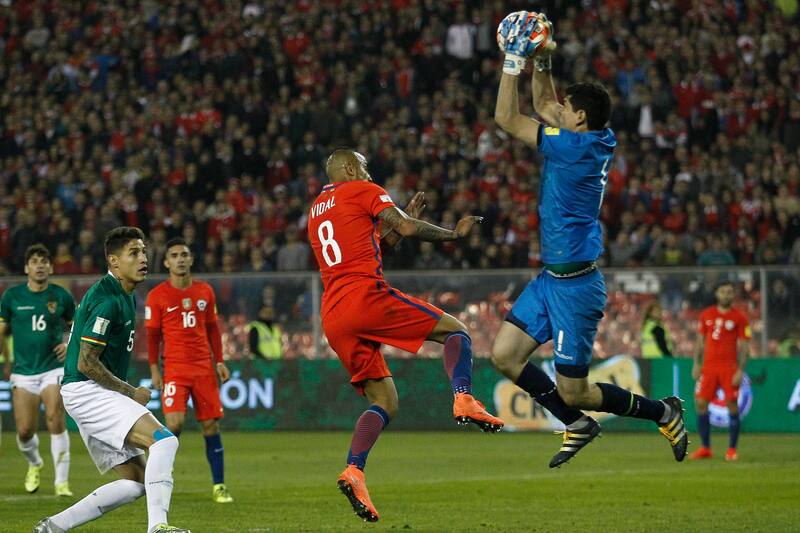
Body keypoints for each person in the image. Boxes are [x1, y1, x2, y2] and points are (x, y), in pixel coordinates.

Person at [490, 11, 687, 468]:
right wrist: (544, 61)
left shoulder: (573, 148)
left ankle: (663, 411)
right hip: (550, 279)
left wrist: (515, 59)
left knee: (573, 389)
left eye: (566, 109)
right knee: (503, 355)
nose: (557, 109)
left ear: (578, 117)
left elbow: (508, 116)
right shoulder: (597, 136)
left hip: (575, 288)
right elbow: (544, 103)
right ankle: (576, 425)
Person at [308, 149, 504, 522]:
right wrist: (454, 235)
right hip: (364, 297)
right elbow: (409, 227)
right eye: (364, 167)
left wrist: (398, 226)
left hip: (333, 314)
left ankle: (355, 470)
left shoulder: (317, 209)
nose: (368, 173)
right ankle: (463, 397)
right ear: (350, 168)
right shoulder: (363, 190)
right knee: (456, 331)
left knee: (385, 400)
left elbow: (368, 248)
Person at [34, 227, 189, 533]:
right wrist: (130, 392)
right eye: (134, 253)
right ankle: (158, 527)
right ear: (114, 262)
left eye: (144, 251)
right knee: (164, 440)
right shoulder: (109, 300)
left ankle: (53, 526)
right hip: (88, 390)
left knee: (136, 482)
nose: (143, 258)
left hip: (87, 392)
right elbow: (86, 361)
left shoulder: (123, 294)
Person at [145, 237, 233, 503]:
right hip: (174, 368)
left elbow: (212, 330)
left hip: (204, 368)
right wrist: (154, 370)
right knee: (174, 423)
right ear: (167, 262)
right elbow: (151, 336)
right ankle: (162, 476)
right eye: (175, 255)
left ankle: (219, 485)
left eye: (184, 254)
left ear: (191, 259)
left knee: (209, 425)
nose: (180, 259)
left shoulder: (205, 291)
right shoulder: (157, 295)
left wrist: (219, 360)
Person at [0, 244, 75, 496]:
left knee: (55, 418)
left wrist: (68, 344)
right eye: (34, 261)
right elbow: (1, 331)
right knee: (24, 431)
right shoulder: (12, 297)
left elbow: (77, 325)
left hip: (52, 369)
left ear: (51, 267)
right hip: (23, 371)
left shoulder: (61, 296)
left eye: (44, 261)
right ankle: (35, 463)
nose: (39, 265)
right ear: (26, 268)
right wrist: (7, 359)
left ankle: (61, 483)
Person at [689, 281, 750, 461]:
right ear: (717, 294)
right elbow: (700, 342)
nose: (726, 295)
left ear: (733, 295)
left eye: (730, 292)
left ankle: (732, 449)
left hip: (729, 367)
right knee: (700, 403)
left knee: (732, 404)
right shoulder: (706, 315)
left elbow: (745, 347)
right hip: (708, 367)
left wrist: (740, 370)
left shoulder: (740, 318)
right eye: (723, 291)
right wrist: (696, 364)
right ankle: (705, 447)